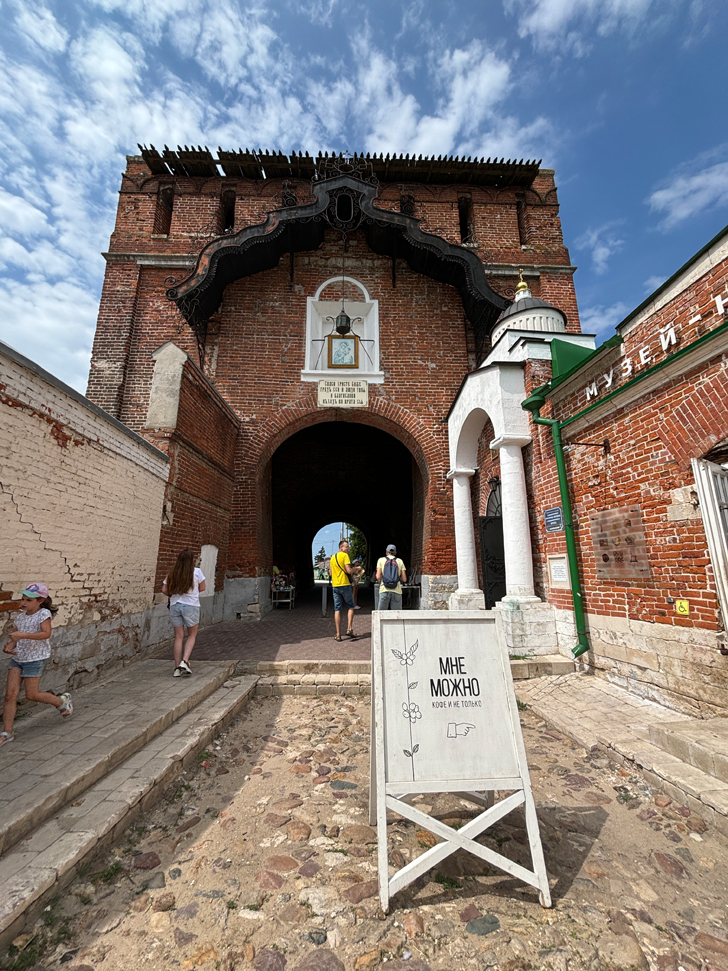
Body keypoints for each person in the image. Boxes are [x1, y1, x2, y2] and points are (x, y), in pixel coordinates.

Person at [1, 582, 72, 748]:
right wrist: (9, 646)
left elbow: (46, 634)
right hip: (19, 658)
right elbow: (17, 638)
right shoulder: (20, 617)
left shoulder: (43, 614)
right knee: (10, 694)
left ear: (40, 601)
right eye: (23, 599)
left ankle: (62, 701)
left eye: (29, 600)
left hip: (35, 658)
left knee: (31, 695)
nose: (24, 603)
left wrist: (22, 635)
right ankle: (7, 732)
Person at [163, 550, 206, 677]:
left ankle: (177, 668)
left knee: (178, 637)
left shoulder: (173, 573)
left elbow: (164, 590)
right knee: (192, 635)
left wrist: (174, 594)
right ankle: (185, 661)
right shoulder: (197, 572)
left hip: (175, 605)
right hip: (191, 606)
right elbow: (202, 588)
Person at [330, 539, 356, 641]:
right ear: (341, 547)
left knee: (337, 609)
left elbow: (331, 573)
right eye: (347, 546)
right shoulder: (345, 556)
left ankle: (338, 634)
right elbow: (349, 570)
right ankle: (349, 628)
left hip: (335, 586)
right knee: (350, 606)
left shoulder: (332, 557)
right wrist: (357, 569)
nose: (348, 548)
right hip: (345, 584)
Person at [376, 544, 407, 610]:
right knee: (396, 614)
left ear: (386, 552)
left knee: (381, 614)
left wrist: (384, 576)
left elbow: (378, 576)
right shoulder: (400, 561)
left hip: (384, 589)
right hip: (397, 590)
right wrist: (397, 577)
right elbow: (404, 579)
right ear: (395, 553)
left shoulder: (381, 560)